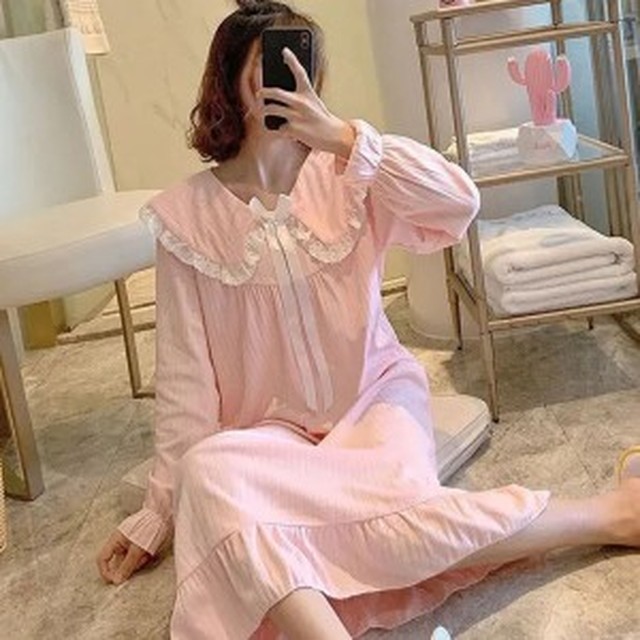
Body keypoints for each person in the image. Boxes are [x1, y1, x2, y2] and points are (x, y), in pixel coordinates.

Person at [97, 1, 640, 638]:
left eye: (301, 58)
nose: (288, 73)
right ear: (230, 76)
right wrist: (160, 511)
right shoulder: (186, 219)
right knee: (207, 477)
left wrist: (345, 138)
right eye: (269, 61)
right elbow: (185, 384)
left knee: (396, 517)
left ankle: (610, 515)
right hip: (268, 434)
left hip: (373, 403)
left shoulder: (349, 175)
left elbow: (458, 204)